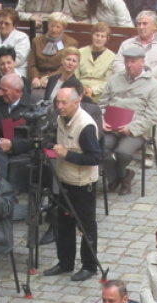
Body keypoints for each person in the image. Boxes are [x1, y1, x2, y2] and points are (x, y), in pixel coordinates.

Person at [46, 88, 103, 283]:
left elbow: (95, 157)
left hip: (82, 185)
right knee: (64, 224)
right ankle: (65, 262)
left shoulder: (85, 126)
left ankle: (89, 266)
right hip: (65, 181)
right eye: (57, 102)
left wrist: (67, 154)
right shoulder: (61, 119)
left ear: (76, 102)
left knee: (86, 227)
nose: (59, 107)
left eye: (63, 103)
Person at [99, 46, 157, 197]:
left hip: (136, 130)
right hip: (111, 126)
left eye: (133, 61)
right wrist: (102, 120)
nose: (129, 65)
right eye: (127, 61)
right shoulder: (114, 79)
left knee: (122, 153)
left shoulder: (154, 86)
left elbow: (152, 116)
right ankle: (122, 176)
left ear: (143, 62)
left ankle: (121, 178)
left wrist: (132, 128)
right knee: (101, 148)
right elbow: (101, 104)